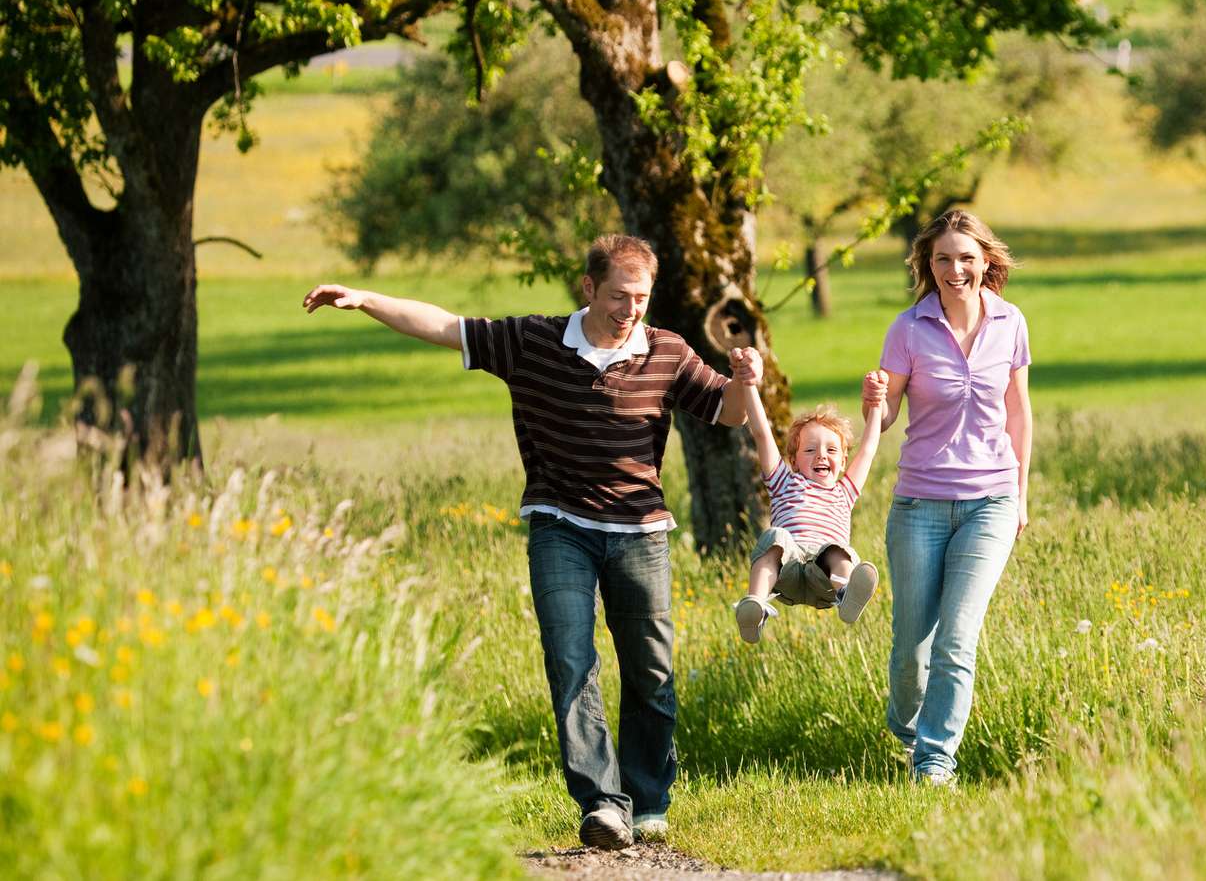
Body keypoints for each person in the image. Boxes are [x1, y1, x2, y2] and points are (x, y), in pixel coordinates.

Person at [301, 235, 761, 849]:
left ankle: (649, 800)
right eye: (619, 295)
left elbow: (726, 412)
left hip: (640, 531)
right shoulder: (534, 341)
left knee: (649, 669)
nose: (630, 309)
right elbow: (444, 326)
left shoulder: (666, 352)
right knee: (570, 659)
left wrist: (745, 380)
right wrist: (364, 299)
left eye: (642, 298)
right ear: (589, 288)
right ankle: (603, 803)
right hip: (559, 525)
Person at [865, 210, 1032, 787]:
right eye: (943, 258)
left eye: (966, 257)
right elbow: (886, 418)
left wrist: (1021, 494)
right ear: (927, 264)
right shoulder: (908, 329)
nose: (955, 269)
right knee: (913, 651)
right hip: (920, 505)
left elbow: (1018, 413)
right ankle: (907, 727)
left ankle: (934, 763)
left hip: (991, 499)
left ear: (987, 260)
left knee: (958, 639)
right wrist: (875, 402)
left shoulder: (1011, 323)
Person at [731, 371, 887, 643]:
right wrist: (749, 384)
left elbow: (869, 448)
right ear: (793, 459)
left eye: (831, 450)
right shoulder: (783, 482)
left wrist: (875, 404)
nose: (821, 455)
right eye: (810, 450)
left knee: (837, 551)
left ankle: (846, 593)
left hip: (823, 579)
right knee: (775, 538)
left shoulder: (844, 492)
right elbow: (761, 434)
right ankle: (754, 605)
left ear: (843, 459)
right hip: (787, 571)